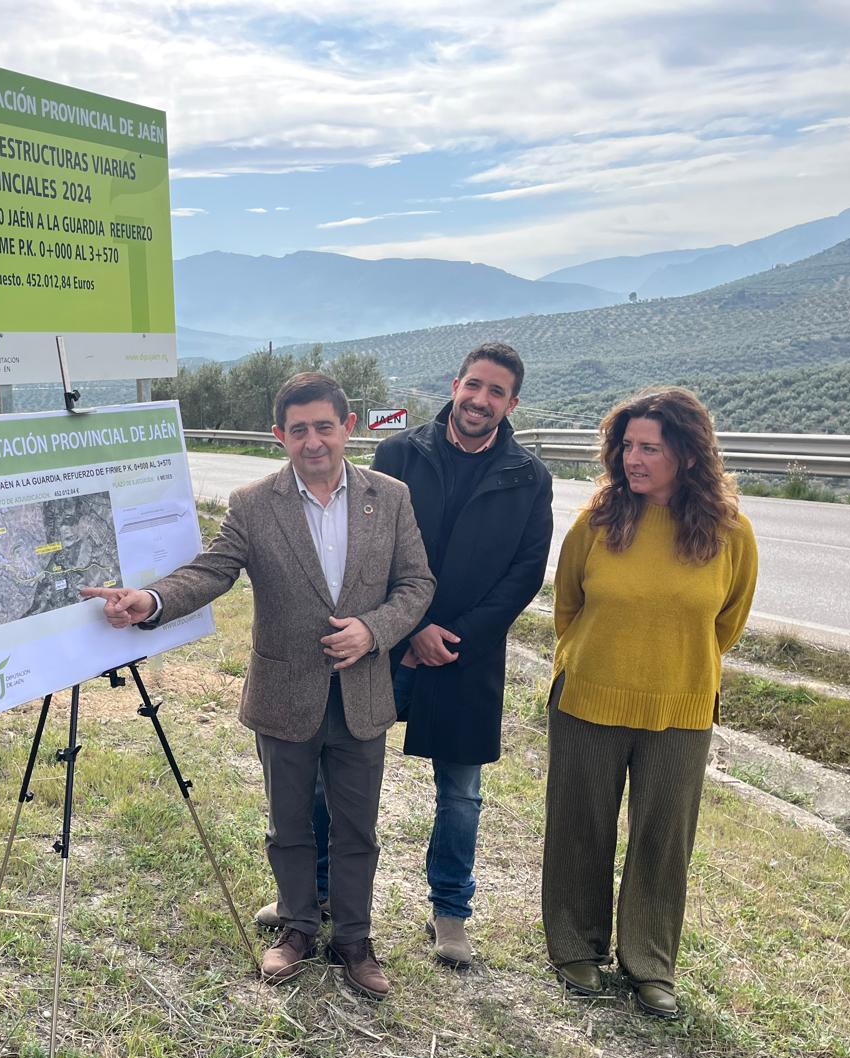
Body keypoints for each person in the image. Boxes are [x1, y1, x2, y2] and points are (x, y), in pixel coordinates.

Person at [83, 372, 432, 1001]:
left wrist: (373, 631)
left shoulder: (393, 497)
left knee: (358, 829)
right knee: (288, 824)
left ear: (347, 427)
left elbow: (416, 586)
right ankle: (298, 927)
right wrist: (151, 599)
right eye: (298, 430)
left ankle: (354, 938)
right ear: (279, 437)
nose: (314, 441)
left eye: (325, 426)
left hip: (362, 695)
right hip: (284, 693)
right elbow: (211, 572)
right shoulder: (252, 503)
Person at [249, 345, 552, 968]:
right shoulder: (399, 455)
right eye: (474, 385)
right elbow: (382, 562)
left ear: (512, 403)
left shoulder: (528, 475)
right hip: (382, 648)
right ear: (455, 383)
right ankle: (314, 899)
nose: (480, 400)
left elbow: (525, 573)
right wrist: (405, 629)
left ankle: (449, 912)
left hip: (465, 653)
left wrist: (453, 632)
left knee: (460, 789)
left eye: (497, 392)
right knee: (331, 777)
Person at [542, 387, 758, 1019]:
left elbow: (727, 621)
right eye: (626, 445)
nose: (632, 459)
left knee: (663, 839)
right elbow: (568, 607)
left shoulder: (730, 533)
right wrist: (604, 659)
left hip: (682, 707)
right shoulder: (598, 522)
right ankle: (576, 948)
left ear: (687, 455)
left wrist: (671, 667)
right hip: (589, 697)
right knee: (580, 825)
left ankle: (651, 964)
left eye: (649, 448)